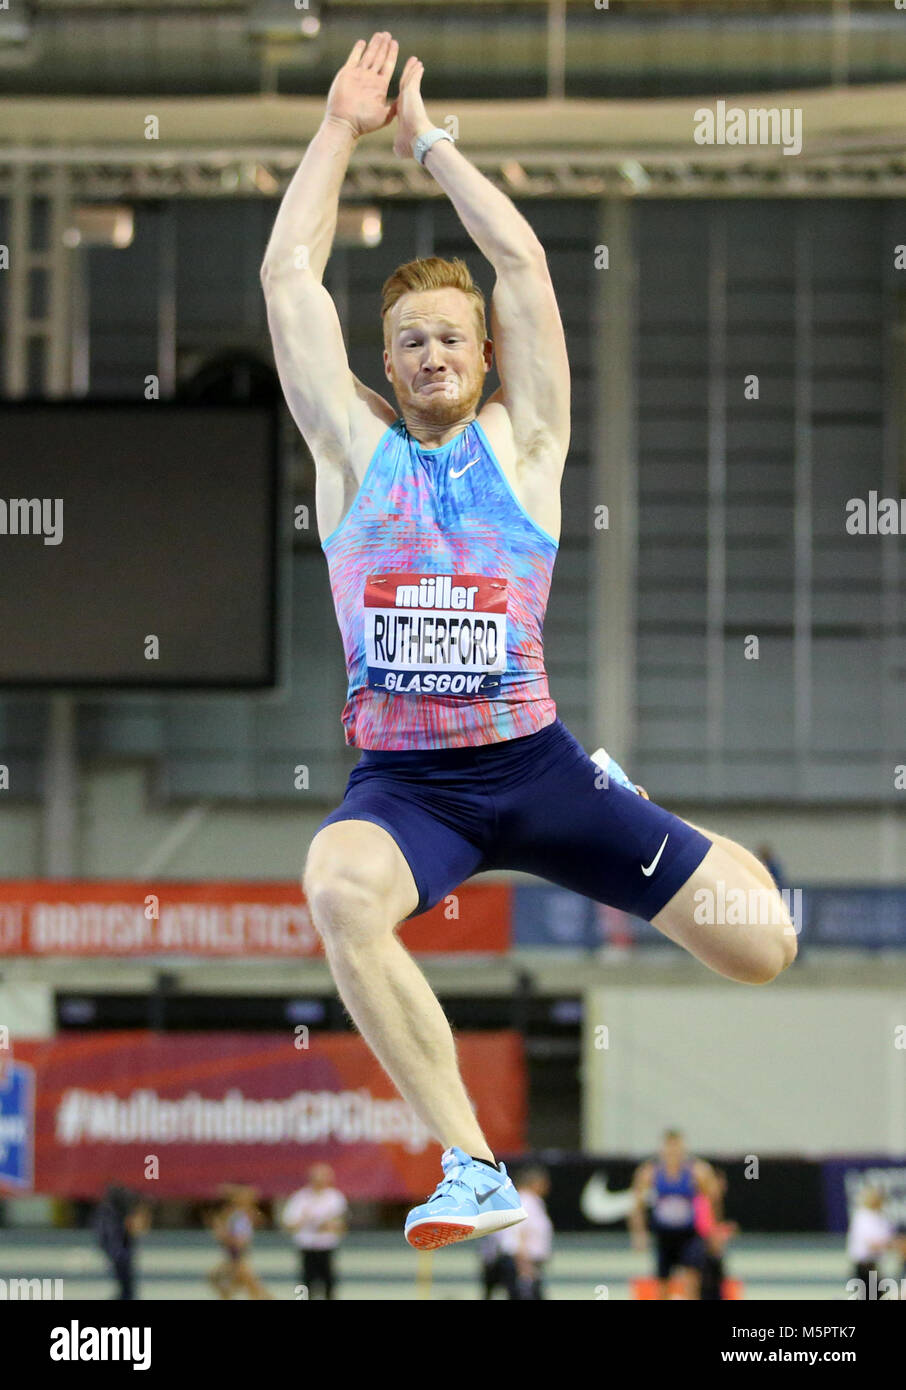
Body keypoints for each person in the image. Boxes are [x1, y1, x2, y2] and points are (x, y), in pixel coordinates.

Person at [260, 30, 797, 1251]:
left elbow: (523, 261)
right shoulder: (353, 454)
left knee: (764, 948)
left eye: (450, 335)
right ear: (385, 366)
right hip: (410, 790)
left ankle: (660, 813)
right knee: (337, 888)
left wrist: (427, 142)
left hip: (543, 770)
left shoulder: (527, 447)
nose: (432, 352)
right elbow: (290, 276)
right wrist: (339, 128)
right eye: (408, 342)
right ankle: (470, 1164)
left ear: (484, 353)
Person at [630, 1130, 719, 1300]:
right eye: (669, 1148)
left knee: (692, 1281)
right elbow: (636, 1206)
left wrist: (711, 1231)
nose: (673, 1153)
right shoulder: (650, 1173)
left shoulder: (697, 1171)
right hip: (664, 1236)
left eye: (677, 1148)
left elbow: (710, 1201)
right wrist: (639, 1233)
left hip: (689, 1235)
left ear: (683, 1149)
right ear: (662, 1150)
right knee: (662, 1283)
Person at [281, 1162, 348, 1300]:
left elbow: (341, 1225)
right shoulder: (300, 1198)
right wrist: (305, 1221)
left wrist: (328, 1225)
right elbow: (289, 1224)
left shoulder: (335, 1197)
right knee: (306, 1284)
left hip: (326, 1246)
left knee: (329, 1283)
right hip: (307, 1247)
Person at [208, 1184, 273, 1300]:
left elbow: (239, 1236)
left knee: (250, 1285)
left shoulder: (247, 1213)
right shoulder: (232, 1212)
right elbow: (222, 1232)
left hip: (238, 1255)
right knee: (222, 1282)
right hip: (233, 1254)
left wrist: (226, 1236)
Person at [497, 1166, 553, 1299]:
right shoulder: (524, 1201)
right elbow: (517, 1235)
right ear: (535, 1183)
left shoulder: (534, 1202)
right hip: (522, 1264)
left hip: (528, 1264)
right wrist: (524, 1266)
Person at [94, 1185, 150, 1300]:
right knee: (126, 1286)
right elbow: (107, 1236)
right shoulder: (109, 1214)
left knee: (127, 1286)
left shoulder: (119, 1213)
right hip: (119, 1253)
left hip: (121, 1252)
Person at [693, 1167, 738, 1300]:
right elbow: (705, 1232)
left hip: (712, 1260)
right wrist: (724, 1232)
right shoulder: (702, 1202)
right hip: (703, 1259)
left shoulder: (715, 1204)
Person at [846, 1185, 893, 1298]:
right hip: (864, 1267)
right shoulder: (862, 1216)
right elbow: (871, 1244)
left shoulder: (882, 1218)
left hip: (875, 1266)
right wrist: (894, 1244)